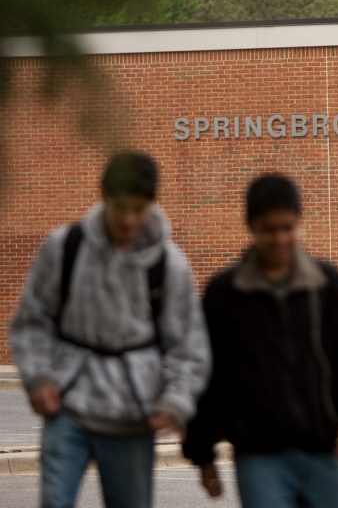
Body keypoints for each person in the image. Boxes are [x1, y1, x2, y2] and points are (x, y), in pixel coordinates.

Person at [10, 151, 211, 508]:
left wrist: (177, 399)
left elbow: (191, 347)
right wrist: (38, 377)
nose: (129, 220)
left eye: (139, 208)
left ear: (152, 203)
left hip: (133, 415)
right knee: (54, 502)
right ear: (103, 196)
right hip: (68, 404)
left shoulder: (170, 266)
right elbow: (32, 320)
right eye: (121, 207)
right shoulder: (65, 248)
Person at [183, 173, 338, 508]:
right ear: (251, 226)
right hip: (259, 457)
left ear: (299, 224)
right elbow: (208, 378)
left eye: (288, 228)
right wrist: (203, 454)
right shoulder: (225, 294)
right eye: (269, 230)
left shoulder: (325, 285)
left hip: (324, 451)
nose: (279, 239)